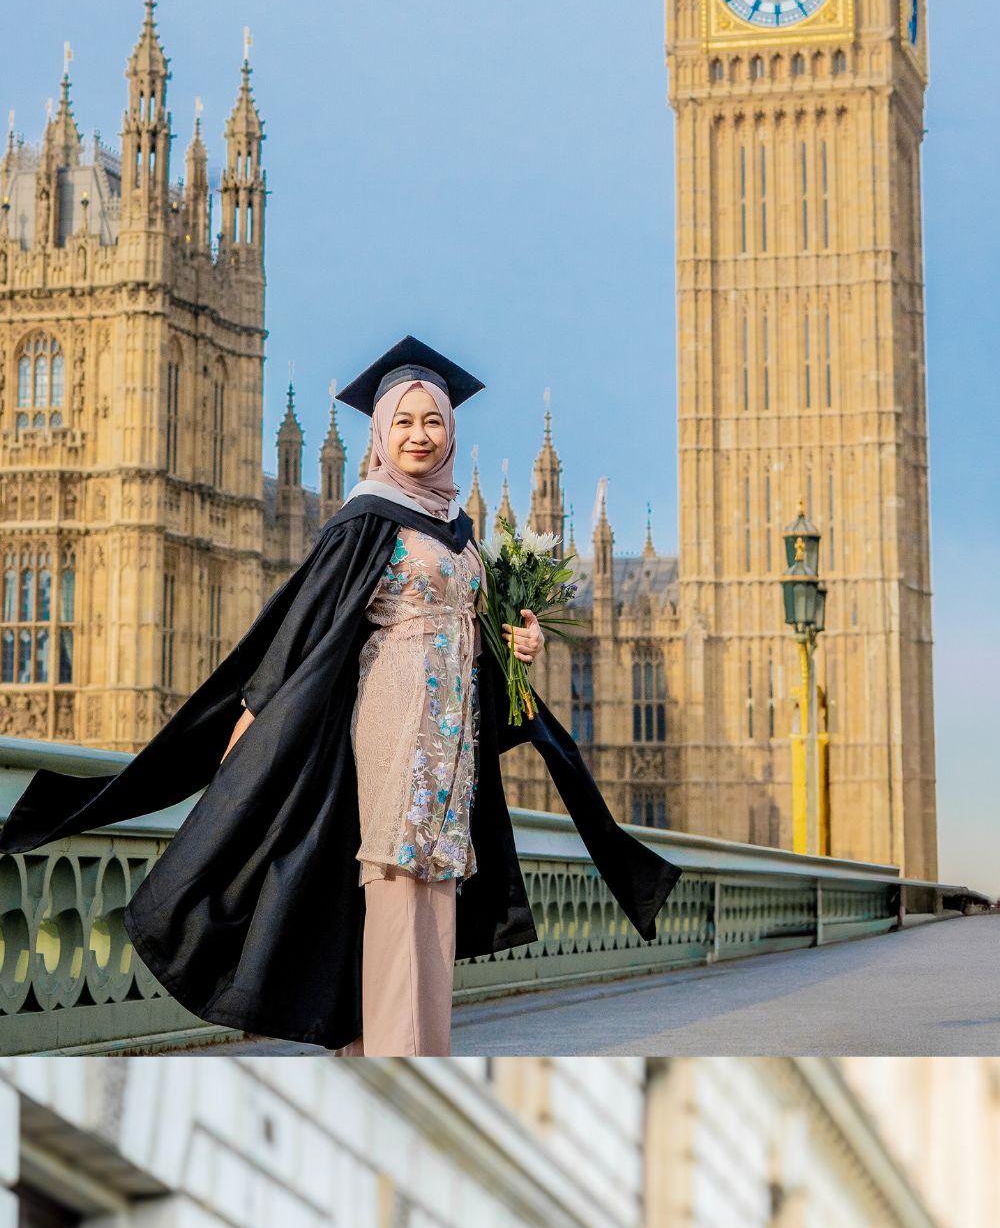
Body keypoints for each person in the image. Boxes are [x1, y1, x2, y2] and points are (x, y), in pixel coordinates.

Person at [0, 336, 667, 1051]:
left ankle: (416, 1053)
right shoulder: (366, 521)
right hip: (391, 727)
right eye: (404, 421)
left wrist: (518, 646)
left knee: (433, 898)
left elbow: (475, 639)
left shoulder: (457, 531)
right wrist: (250, 728)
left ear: (450, 431)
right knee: (394, 886)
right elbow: (302, 632)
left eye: (432, 420)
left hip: (451, 741)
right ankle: (393, 1059)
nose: (419, 434)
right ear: (381, 434)